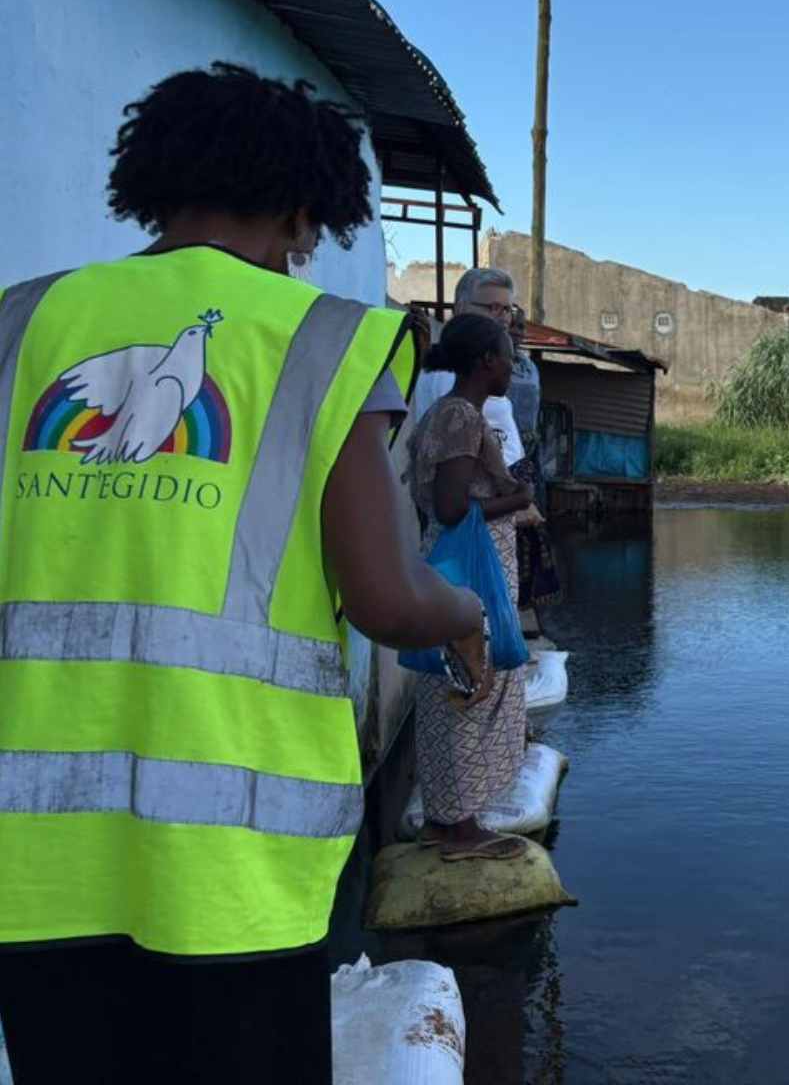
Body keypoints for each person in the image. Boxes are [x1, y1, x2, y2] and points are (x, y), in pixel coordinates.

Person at [0, 63, 484, 1085]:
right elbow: (390, 599)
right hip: (234, 868)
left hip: (30, 853)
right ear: (303, 207)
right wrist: (469, 606)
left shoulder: (22, 320)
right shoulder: (317, 338)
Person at [405, 313, 535, 862]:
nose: (513, 365)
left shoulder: (457, 414)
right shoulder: (459, 416)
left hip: (467, 567)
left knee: (462, 680)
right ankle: (457, 826)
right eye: (508, 355)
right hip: (471, 570)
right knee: (471, 683)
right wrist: (518, 500)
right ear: (487, 362)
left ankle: (449, 817)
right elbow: (453, 507)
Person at [415, 267, 524, 469]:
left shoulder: (479, 364)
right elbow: (459, 464)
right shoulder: (454, 372)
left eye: (508, 309)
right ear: (461, 308)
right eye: (493, 307)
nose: (503, 317)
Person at [507, 307, 561, 633]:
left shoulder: (528, 368)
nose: (516, 332)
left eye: (520, 327)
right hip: (503, 454)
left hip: (529, 453)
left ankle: (525, 601)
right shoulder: (489, 362)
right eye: (512, 326)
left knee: (531, 531)